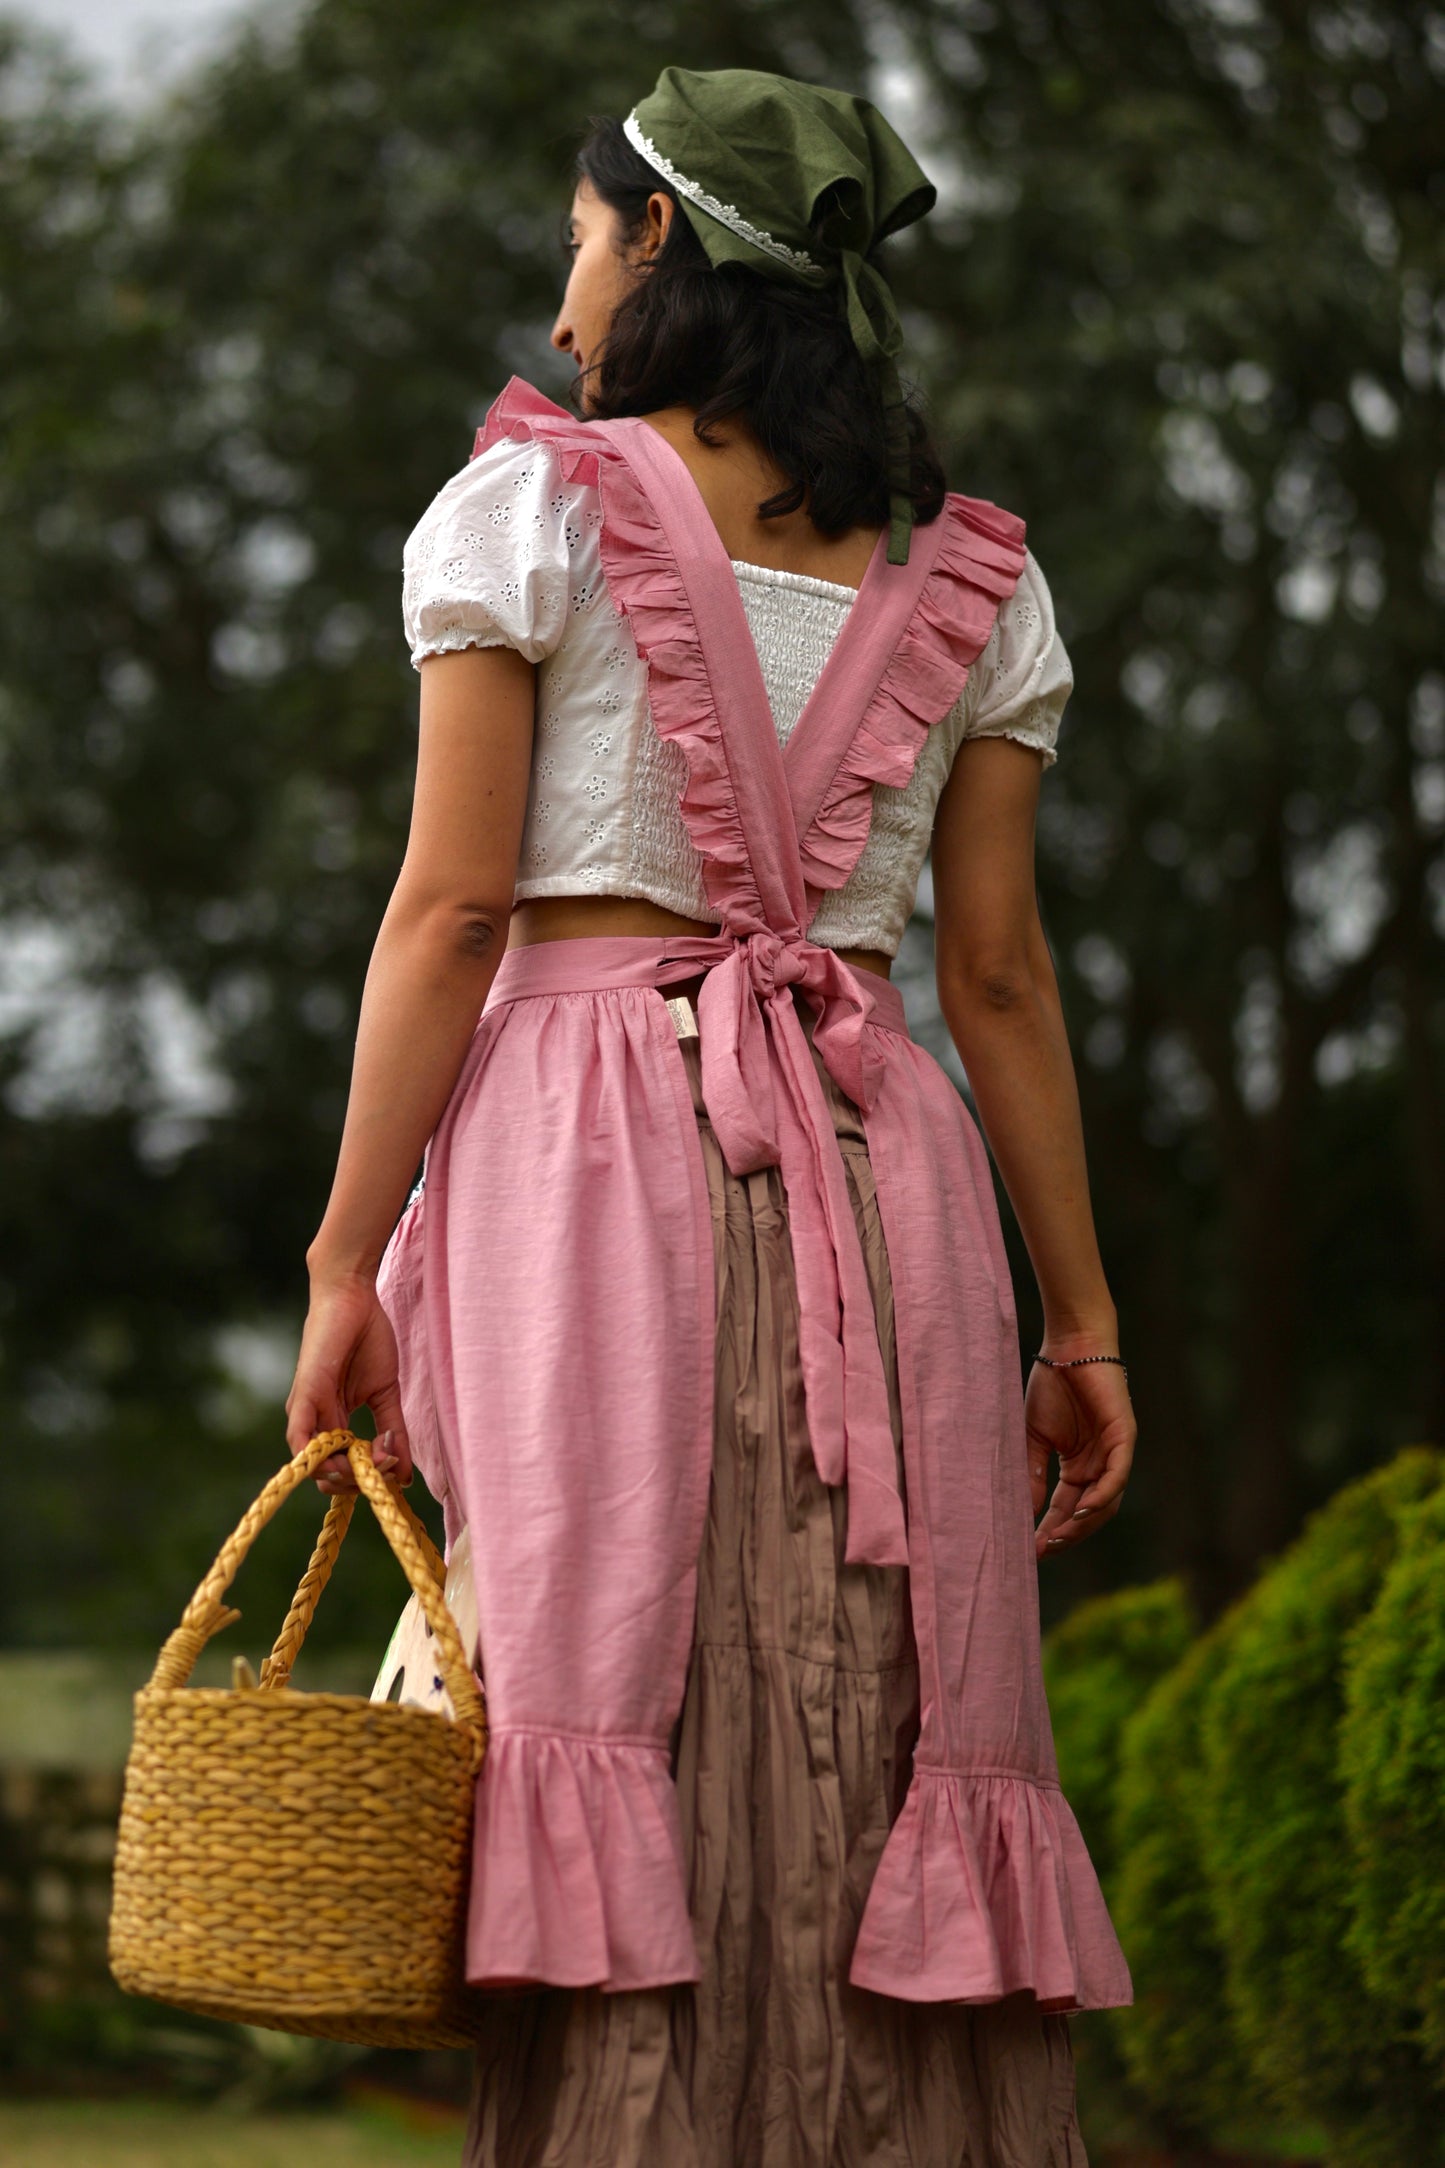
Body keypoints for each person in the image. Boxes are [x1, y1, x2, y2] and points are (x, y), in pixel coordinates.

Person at [285, 64, 1135, 2168]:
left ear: (655, 236)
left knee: (601, 1666)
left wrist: (338, 1253)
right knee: (880, 1695)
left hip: (585, 1157)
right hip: (886, 1165)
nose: (565, 293)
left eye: (582, 236)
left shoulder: (529, 510)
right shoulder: (972, 574)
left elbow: (457, 906)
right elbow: (1003, 978)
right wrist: (1084, 1324)